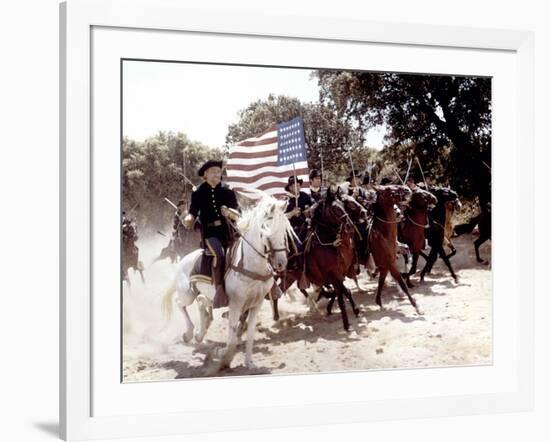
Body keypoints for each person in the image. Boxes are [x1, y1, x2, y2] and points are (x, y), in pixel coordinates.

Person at [182, 160, 239, 308]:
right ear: (205, 175)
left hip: (230, 231)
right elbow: (193, 213)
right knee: (219, 255)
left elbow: (237, 213)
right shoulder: (198, 192)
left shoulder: (228, 190)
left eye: (219, 171)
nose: (217, 174)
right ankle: (219, 291)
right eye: (213, 171)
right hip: (210, 234)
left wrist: (229, 212)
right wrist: (188, 219)